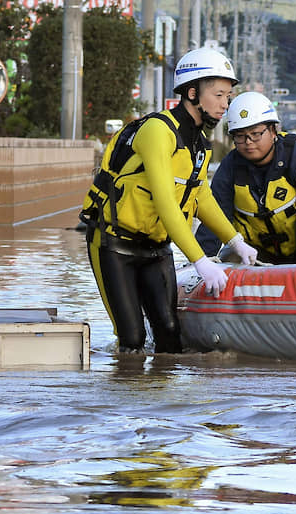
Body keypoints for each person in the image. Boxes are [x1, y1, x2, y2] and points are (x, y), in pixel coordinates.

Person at [80, 47, 258, 353]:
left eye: (228, 96)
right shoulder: (157, 131)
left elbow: (200, 196)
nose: (224, 104)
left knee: (170, 336)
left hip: (156, 249)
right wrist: (201, 261)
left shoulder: (200, 144)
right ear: (192, 92)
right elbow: (165, 204)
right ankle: (125, 394)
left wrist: (235, 241)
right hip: (114, 244)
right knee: (132, 340)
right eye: (218, 95)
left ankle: (163, 399)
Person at [195, 91, 296, 264]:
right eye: (240, 136)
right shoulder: (230, 167)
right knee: (230, 258)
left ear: (273, 131)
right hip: (256, 254)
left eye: (256, 133)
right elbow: (215, 217)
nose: (248, 142)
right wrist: (201, 263)